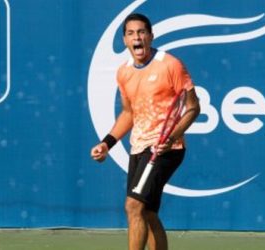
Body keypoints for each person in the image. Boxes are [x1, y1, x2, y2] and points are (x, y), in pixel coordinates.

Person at [90, 13, 200, 250]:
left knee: (133, 206)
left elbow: (193, 107)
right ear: (125, 41)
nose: (137, 37)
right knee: (147, 213)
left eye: (141, 32)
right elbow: (129, 114)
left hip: (167, 148)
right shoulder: (124, 72)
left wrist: (171, 138)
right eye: (131, 33)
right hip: (139, 146)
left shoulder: (171, 65)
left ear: (151, 36)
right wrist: (107, 144)